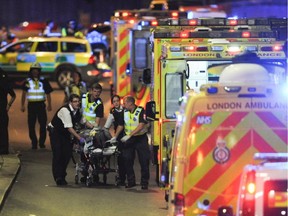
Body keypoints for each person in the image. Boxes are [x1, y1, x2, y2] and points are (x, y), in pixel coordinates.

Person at [48, 94, 94, 186]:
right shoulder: (65, 111)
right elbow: (69, 127)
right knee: (58, 154)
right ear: (70, 102)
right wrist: (79, 138)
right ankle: (58, 177)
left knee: (67, 154)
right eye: (75, 101)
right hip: (56, 132)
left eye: (78, 101)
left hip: (64, 133)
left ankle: (62, 175)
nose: (77, 103)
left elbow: (84, 121)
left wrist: (94, 128)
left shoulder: (78, 111)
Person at [112, 95, 150, 190]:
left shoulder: (140, 111)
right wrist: (115, 136)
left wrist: (130, 134)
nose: (123, 105)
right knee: (127, 159)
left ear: (130, 103)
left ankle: (144, 182)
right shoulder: (124, 112)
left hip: (140, 138)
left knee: (144, 160)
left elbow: (141, 125)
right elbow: (121, 125)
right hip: (130, 140)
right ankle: (131, 181)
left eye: (125, 103)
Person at [21, 62, 53, 149]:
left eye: (37, 70)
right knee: (31, 125)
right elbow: (24, 93)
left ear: (39, 71)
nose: (35, 72)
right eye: (33, 70)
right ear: (31, 71)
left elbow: (48, 93)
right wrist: (22, 105)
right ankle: (34, 143)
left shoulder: (43, 81)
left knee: (43, 124)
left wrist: (49, 104)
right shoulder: (27, 81)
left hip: (41, 105)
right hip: (31, 105)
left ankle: (42, 142)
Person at [103, 95, 126, 186]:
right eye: (114, 101)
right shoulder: (112, 112)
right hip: (119, 136)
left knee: (127, 159)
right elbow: (106, 127)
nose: (116, 103)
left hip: (127, 135)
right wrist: (111, 138)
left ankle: (128, 178)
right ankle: (122, 179)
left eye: (117, 101)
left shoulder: (125, 109)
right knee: (120, 159)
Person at [0, 68, 16, 154]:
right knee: (3, 130)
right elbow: (13, 95)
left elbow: (13, 95)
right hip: (3, 110)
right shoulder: (4, 82)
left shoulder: (3, 83)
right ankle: (3, 149)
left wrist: (8, 106)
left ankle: (3, 149)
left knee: (3, 130)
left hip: (2, 111)